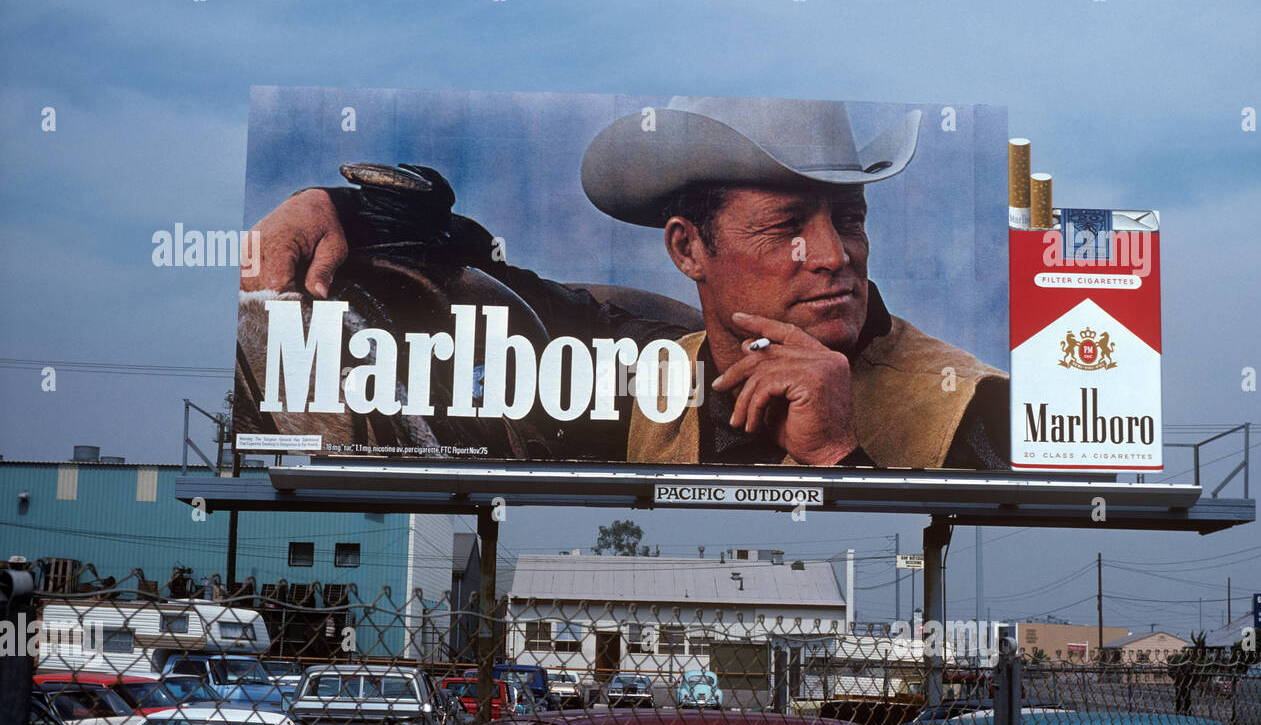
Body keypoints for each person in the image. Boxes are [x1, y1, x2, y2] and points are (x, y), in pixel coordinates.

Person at [240, 97, 1008, 469]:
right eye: (786, 227)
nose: (833, 253)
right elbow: (506, 293)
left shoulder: (976, 406)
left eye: (849, 216)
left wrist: (840, 454)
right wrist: (336, 208)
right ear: (687, 247)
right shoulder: (642, 365)